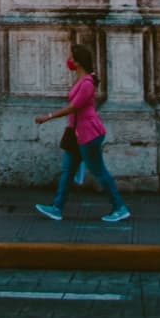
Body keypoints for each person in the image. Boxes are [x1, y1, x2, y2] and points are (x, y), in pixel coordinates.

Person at [34, 42, 131, 225]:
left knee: (99, 171)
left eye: (71, 58)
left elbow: (73, 107)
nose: (68, 61)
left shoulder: (86, 83)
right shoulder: (81, 80)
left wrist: (47, 117)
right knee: (67, 171)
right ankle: (57, 207)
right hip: (77, 134)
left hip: (88, 135)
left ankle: (119, 207)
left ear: (78, 62)